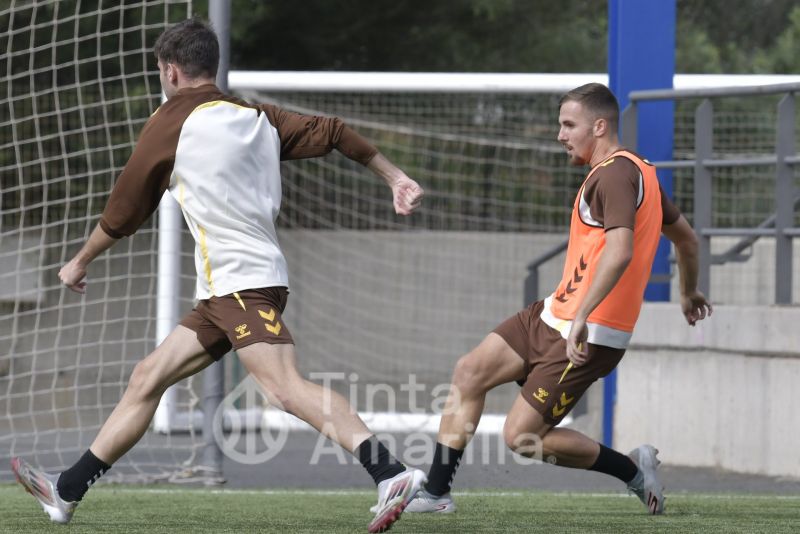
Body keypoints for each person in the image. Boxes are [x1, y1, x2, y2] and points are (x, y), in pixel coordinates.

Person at [11, 18, 425, 534]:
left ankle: (390, 472)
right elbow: (337, 132)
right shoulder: (258, 116)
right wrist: (396, 176)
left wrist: (80, 260)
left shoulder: (171, 120)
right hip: (228, 288)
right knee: (148, 377)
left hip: (241, 283)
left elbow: (124, 211)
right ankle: (66, 490)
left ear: (170, 71)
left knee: (284, 390)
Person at [402, 83, 712, 515]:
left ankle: (633, 470)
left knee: (522, 438)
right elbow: (688, 241)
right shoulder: (639, 172)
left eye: (569, 125)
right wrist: (689, 290)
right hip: (553, 315)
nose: (560, 135)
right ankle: (435, 494)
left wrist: (584, 313)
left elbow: (621, 251)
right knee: (470, 372)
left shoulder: (615, 174)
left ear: (599, 126)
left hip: (590, 330)